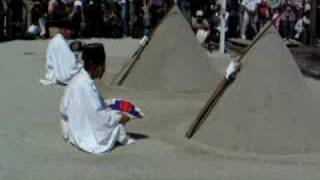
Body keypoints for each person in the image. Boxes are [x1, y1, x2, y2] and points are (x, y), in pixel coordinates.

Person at [60, 43, 135, 155]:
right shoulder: (85, 86)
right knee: (117, 128)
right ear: (95, 67)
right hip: (81, 131)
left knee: (112, 109)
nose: (104, 71)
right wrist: (119, 117)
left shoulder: (80, 78)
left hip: (71, 125)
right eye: (102, 67)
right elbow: (100, 118)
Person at [40, 20, 82, 86]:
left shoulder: (57, 40)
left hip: (52, 74)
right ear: (63, 30)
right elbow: (71, 67)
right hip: (57, 77)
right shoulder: (60, 42)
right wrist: (81, 66)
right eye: (69, 30)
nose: (71, 33)